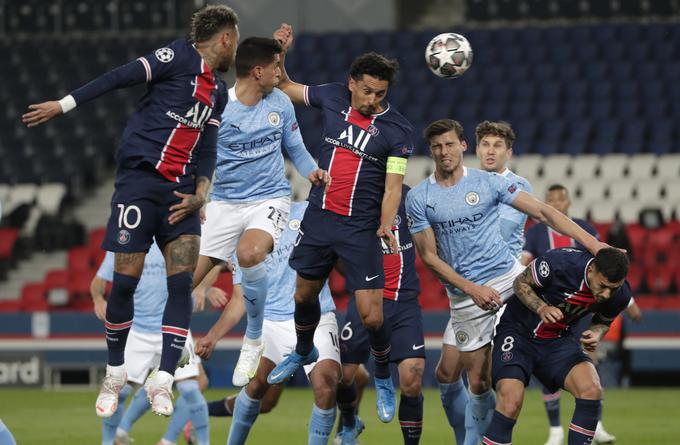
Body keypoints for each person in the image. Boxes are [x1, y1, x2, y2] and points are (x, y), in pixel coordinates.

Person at [22, 5, 239, 417]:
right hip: (139, 184)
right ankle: (116, 372)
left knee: (181, 287)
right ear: (225, 38)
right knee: (124, 284)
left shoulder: (219, 93)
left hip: (182, 196)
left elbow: (208, 147)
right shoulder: (175, 57)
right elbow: (119, 76)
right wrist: (63, 105)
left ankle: (161, 380)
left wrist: (202, 193)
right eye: (236, 40)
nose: (236, 49)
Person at [406, 119, 607, 445]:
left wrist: (594, 245)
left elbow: (544, 213)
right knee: (478, 380)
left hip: (510, 279)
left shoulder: (489, 183)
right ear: (431, 151)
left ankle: (570, 391)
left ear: (462, 146)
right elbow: (429, 257)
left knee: (545, 341)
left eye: (450, 144)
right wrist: (472, 289)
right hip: (466, 297)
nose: (444, 152)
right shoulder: (419, 198)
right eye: (437, 146)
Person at [266, 23, 415, 424]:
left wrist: (386, 224)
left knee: (373, 317)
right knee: (302, 295)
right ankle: (302, 350)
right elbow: (284, 85)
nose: (371, 99)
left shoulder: (397, 130)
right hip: (320, 216)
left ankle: (382, 375)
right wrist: (280, 50)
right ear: (351, 83)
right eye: (366, 90)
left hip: (359, 228)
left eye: (380, 94)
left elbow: (393, 187)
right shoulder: (332, 96)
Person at [192, 35, 328, 388]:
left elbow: (295, 148)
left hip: (269, 198)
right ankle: (173, 350)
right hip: (224, 202)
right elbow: (197, 155)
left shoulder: (280, 101)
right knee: (183, 282)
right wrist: (199, 195)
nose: (280, 73)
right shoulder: (219, 106)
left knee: (250, 252)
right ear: (257, 72)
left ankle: (253, 339)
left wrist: (311, 170)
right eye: (276, 67)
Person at [196, 201, 341, 445]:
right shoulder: (243, 235)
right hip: (270, 323)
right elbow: (240, 299)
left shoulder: (308, 212)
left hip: (317, 315)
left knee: (326, 384)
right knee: (256, 388)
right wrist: (212, 336)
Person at [435, 121, 532, 444]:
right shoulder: (466, 184)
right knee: (446, 374)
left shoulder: (517, 185)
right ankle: (466, 435)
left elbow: (495, 235)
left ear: (509, 152)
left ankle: (478, 441)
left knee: (481, 378)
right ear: (475, 148)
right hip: (469, 291)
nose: (491, 151)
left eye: (498, 146)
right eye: (486, 144)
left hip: (502, 291)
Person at [522, 183, 641, 445]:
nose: (556, 204)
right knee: (547, 367)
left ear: (568, 203)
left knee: (589, 361)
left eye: (560, 200)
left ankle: (595, 423)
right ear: (546, 204)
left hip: (584, 306)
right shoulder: (537, 233)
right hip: (549, 309)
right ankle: (555, 430)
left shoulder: (584, 229)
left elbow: (611, 268)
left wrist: (628, 301)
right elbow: (524, 264)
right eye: (550, 200)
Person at [482, 248, 631, 445]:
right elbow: (520, 282)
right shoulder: (561, 263)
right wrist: (541, 307)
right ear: (591, 270)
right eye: (603, 286)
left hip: (557, 341)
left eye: (614, 288)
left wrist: (596, 332)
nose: (606, 294)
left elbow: (603, 321)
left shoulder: (619, 295)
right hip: (518, 334)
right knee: (510, 401)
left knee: (591, 389)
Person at [92, 241, 218, 445]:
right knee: (119, 391)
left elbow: (214, 261)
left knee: (191, 389)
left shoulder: (177, 239)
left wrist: (204, 286)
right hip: (137, 329)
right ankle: (112, 440)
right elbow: (98, 281)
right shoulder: (127, 243)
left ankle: (192, 442)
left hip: (174, 325)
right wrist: (98, 298)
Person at [336, 185, 425, 445]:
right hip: (367, 298)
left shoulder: (411, 197)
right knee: (343, 375)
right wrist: (359, 281)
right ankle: (350, 423)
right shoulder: (354, 197)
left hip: (403, 300)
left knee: (412, 376)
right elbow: (336, 252)